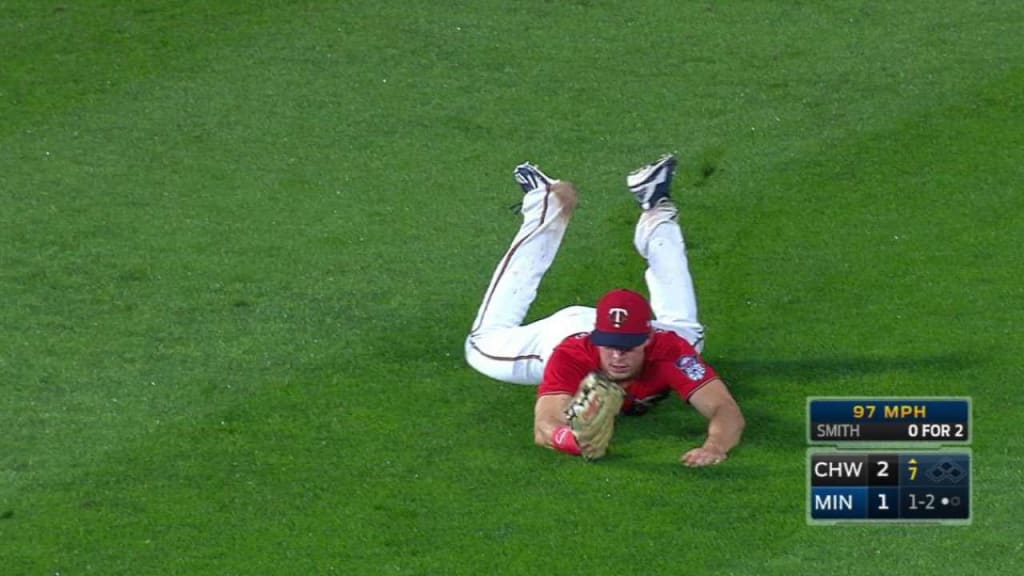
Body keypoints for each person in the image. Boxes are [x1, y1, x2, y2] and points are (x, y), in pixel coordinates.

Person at [465, 154, 744, 467]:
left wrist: (715, 447)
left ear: (648, 338)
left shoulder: (670, 349)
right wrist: (572, 440)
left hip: (638, 335)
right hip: (563, 331)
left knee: (689, 336)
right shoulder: (569, 354)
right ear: (598, 339)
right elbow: (545, 426)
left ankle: (657, 205)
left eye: (627, 348)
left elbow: (725, 409)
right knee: (480, 346)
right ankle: (543, 206)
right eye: (610, 346)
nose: (617, 356)